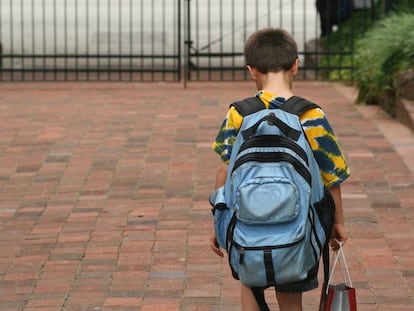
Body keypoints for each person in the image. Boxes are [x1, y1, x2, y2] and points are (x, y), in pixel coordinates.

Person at [209, 28, 351, 311]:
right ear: (296, 64)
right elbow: (331, 176)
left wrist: (219, 220)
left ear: (251, 70)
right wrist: (337, 221)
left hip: (247, 224)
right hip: (298, 226)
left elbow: (226, 169)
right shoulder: (311, 114)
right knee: (291, 298)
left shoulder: (239, 113)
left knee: (250, 286)